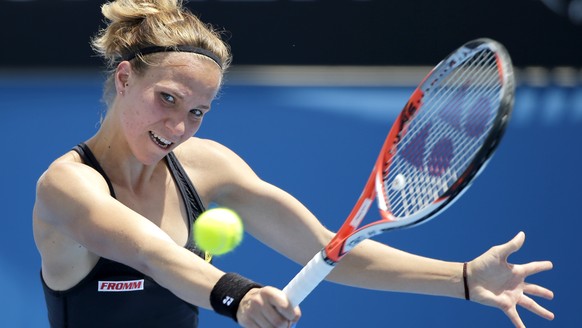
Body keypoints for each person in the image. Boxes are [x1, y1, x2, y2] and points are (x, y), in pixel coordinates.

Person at [32, 0, 554, 327]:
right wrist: (240, 296)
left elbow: (332, 250)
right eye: (166, 99)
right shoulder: (68, 186)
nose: (179, 127)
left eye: (197, 112)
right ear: (125, 80)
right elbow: (155, 257)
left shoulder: (208, 167)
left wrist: (462, 277)